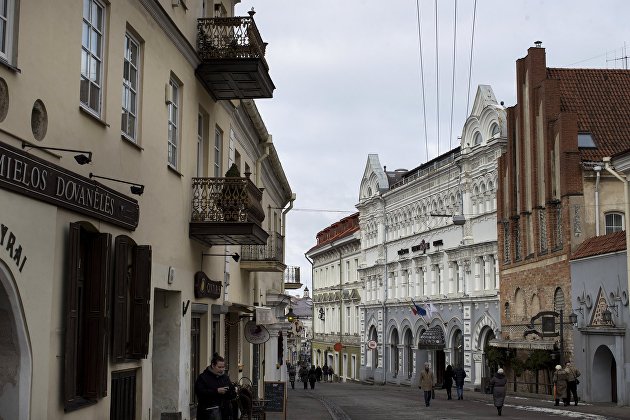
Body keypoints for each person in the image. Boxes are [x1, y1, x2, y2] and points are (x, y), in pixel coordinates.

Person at [195, 354, 237, 420]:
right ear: (213, 365)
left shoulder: (225, 377)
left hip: (225, 413)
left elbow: (233, 393)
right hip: (208, 414)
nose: (222, 369)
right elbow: (200, 393)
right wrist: (216, 391)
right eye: (219, 367)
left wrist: (228, 392)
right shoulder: (203, 377)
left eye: (223, 367)